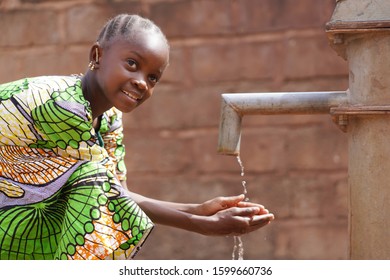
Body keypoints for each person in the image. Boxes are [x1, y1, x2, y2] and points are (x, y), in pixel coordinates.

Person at [0, 14, 274, 260]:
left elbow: (119, 193)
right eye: (132, 64)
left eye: (153, 77)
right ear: (97, 56)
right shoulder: (64, 105)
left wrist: (199, 209)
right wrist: (201, 225)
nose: (142, 82)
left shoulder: (107, 118)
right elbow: (104, 192)